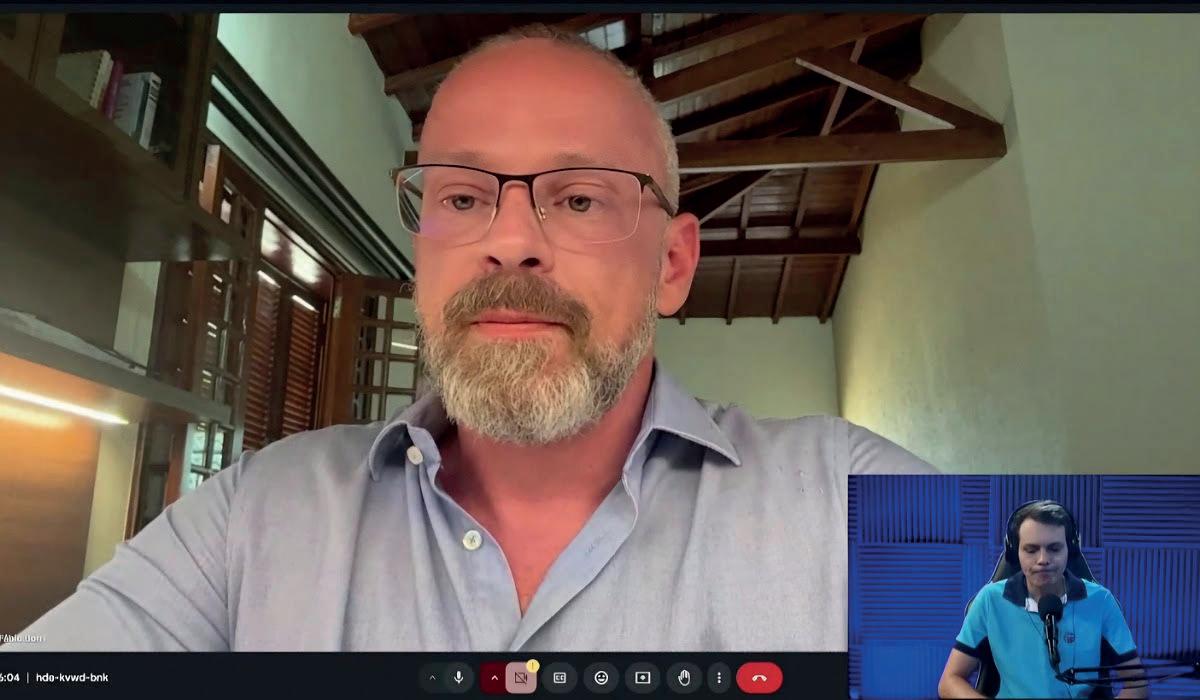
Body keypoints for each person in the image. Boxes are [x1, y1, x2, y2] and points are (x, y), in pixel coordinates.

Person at [4, 24, 935, 653]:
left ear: (672, 262)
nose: (510, 239)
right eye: (460, 195)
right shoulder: (253, 514)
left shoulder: (850, 500)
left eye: (579, 198)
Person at [938, 501, 1147, 698]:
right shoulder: (990, 601)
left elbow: (1137, 684)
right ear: (1015, 552)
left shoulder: (1101, 601)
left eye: (1054, 549)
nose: (1043, 560)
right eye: (1031, 550)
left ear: (1071, 549)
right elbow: (949, 681)